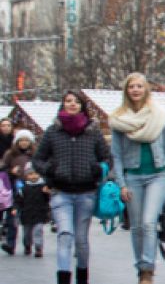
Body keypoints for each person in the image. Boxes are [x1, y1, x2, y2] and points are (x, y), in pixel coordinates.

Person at [32, 90, 112, 284]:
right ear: (63, 104)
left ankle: (82, 276)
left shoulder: (93, 131)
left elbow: (108, 158)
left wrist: (98, 169)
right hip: (61, 192)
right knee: (65, 234)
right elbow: (38, 160)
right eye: (68, 101)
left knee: (81, 240)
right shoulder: (53, 131)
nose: (72, 104)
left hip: (86, 192)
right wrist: (49, 170)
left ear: (82, 106)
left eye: (77, 101)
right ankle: (63, 278)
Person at [110, 73, 165, 284]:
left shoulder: (159, 117)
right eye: (132, 87)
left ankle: (148, 269)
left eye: (139, 86)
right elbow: (117, 155)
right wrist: (121, 183)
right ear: (127, 91)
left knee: (149, 223)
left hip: (157, 176)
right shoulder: (119, 120)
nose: (136, 90)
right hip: (133, 177)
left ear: (146, 89)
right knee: (137, 226)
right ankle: (140, 266)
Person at [1, 129, 36, 255]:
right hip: (14, 188)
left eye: (27, 140)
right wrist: (11, 171)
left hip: (31, 188)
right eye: (21, 140)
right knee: (12, 217)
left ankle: (28, 243)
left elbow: (42, 168)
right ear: (17, 142)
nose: (24, 143)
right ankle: (10, 244)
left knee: (29, 218)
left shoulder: (34, 154)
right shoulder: (10, 154)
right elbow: (2, 169)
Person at [15, 163, 50, 258]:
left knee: (38, 230)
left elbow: (48, 199)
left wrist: (47, 194)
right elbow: (18, 200)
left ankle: (39, 248)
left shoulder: (43, 186)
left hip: (39, 213)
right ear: (26, 176)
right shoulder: (23, 188)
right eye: (30, 174)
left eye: (36, 174)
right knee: (27, 232)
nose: (33, 176)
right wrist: (16, 208)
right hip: (26, 214)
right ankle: (27, 245)